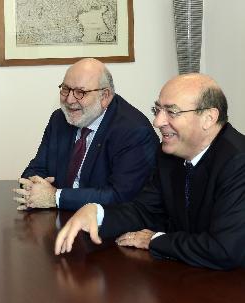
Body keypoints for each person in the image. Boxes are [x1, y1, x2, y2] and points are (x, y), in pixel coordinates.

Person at [54, 73, 245, 270]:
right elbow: (144, 210)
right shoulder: (169, 155)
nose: (157, 121)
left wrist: (155, 240)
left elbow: (225, 250)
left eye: (172, 112)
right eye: (158, 110)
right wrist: (96, 212)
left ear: (209, 118)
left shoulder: (238, 162)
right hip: (188, 278)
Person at [14, 58, 159, 211]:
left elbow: (120, 196)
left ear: (105, 96)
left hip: (108, 226)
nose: (69, 100)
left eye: (80, 92)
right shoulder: (60, 118)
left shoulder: (132, 130)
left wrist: (55, 197)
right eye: (65, 89)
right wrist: (35, 188)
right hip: (62, 216)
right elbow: (36, 168)